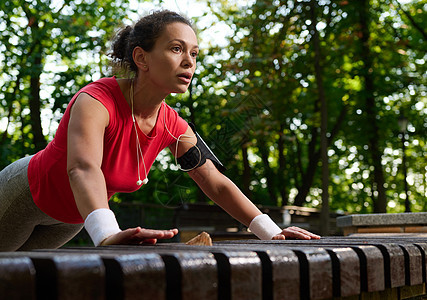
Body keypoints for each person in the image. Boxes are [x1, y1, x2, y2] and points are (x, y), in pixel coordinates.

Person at [0, 10, 320, 251]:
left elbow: (215, 182)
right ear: (141, 58)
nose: (189, 62)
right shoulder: (95, 101)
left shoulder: (175, 126)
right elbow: (83, 169)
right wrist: (107, 234)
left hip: (70, 219)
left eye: (194, 53)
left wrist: (271, 232)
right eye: (177, 49)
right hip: (25, 195)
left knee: (20, 285)